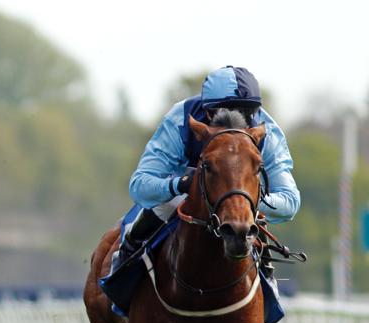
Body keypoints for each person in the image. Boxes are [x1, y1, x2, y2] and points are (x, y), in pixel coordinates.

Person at [111, 66, 300, 275]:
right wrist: (179, 184)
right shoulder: (180, 119)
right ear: (208, 112)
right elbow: (139, 186)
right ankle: (125, 259)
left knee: (253, 219)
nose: (236, 124)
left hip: (243, 202)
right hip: (186, 193)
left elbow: (289, 202)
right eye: (225, 114)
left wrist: (245, 199)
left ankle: (268, 282)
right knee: (164, 205)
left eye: (245, 114)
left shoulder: (269, 133)